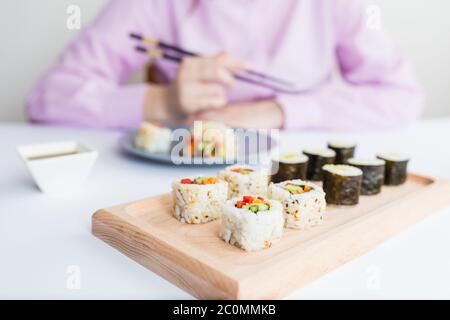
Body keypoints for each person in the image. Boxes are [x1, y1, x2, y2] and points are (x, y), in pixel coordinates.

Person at [27, 0, 423, 131]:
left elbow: (401, 97)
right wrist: (163, 103)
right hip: (173, 174)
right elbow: (47, 100)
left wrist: (278, 111)